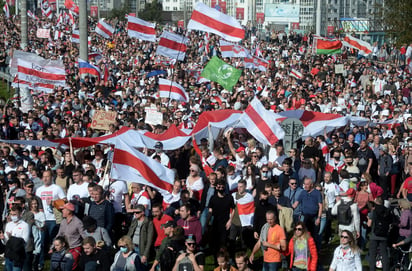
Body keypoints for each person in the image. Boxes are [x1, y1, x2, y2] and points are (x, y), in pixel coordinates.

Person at [54, 202, 86, 270]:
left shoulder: (78, 222)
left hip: (75, 248)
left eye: (63, 209)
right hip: (65, 248)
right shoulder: (63, 222)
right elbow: (59, 234)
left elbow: (84, 236)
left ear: (69, 211)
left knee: (71, 266)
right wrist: (52, 247)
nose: (62, 211)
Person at [1, 205, 30, 271]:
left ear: (20, 214)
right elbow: (6, 242)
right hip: (8, 254)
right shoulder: (8, 224)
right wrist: (3, 238)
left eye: (14, 214)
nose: (12, 216)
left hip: (18, 255)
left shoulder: (25, 225)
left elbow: (24, 241)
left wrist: (12, 238)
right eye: (11, 214)